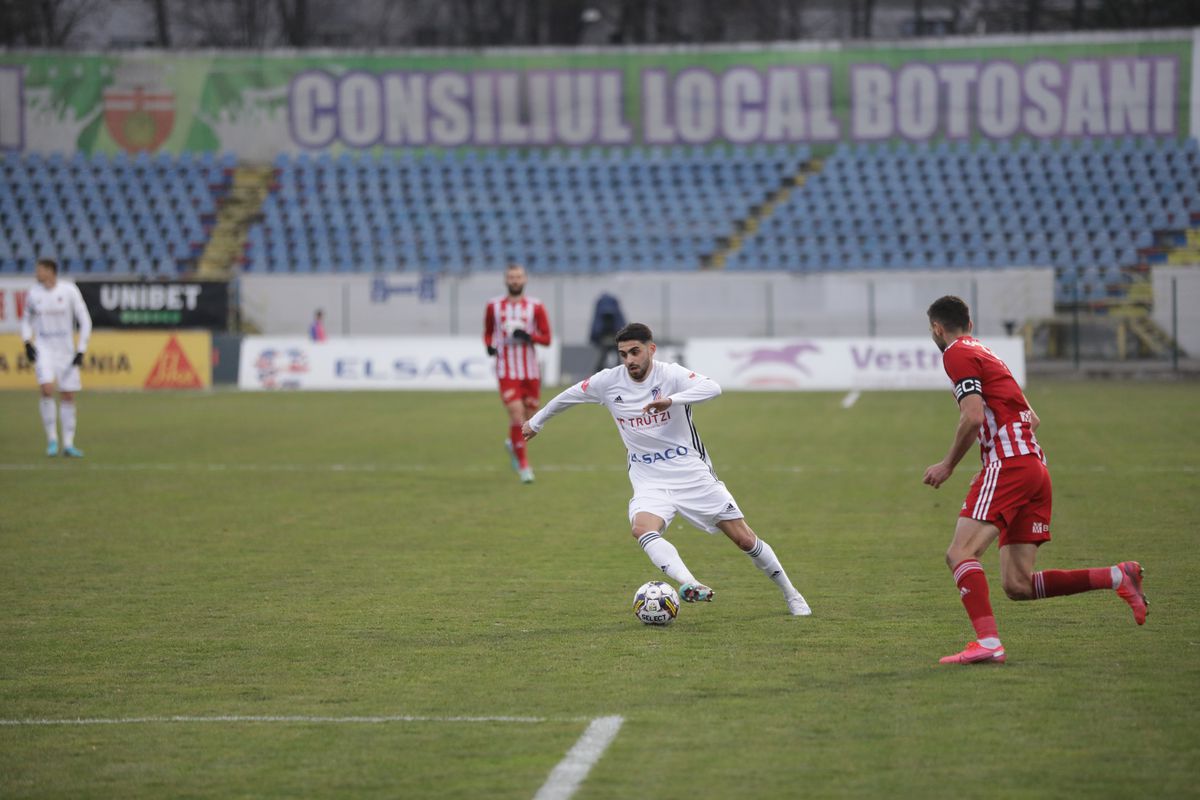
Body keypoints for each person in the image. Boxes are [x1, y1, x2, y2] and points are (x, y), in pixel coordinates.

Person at [522, 322, 812, 616]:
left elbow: (713, 387)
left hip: (691, 473)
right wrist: (536, 422)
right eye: (623, 354)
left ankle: (793, 594)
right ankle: (688, 583)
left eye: (635, 352)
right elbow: (568, 395)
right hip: (648, 478)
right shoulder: (608, 381)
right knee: (642, 528)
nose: (629, 360)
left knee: (745, 539)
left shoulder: (670, 374)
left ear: (651, 349)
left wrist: (671, 401)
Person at [922, 295, 1147, 665]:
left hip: (1009, 464)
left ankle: (989, 643)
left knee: (960, 552)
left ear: (937, 328)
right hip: (1034, 467)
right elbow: (1032, 417)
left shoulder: (956, 353)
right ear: (971, 324)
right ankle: (1117, 577)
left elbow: (974, 417)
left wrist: (948, 464)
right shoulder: (987, 352)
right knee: (1018, 585)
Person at [483, 262, 552, 484]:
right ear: (506, 280)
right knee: (515, 414)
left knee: (528, 418)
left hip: (530, 371)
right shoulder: (494, 306)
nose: (515, 280)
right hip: (507, 370)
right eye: (511, 277)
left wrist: (529, 336)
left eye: (518, 277)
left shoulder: (536, 306)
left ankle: (513, 444)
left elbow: (547, 339)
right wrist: (489, 346)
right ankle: (524, 466)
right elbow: (488, 333)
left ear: (525, 280)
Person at [20, 257, 93, 458]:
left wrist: (81, 349)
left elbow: (85, 320)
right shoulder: (34, 294)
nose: (37, 273)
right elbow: (26, 320)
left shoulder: (68, 291)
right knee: (46, 388)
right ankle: (52, 439)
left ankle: (68, 443)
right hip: (44, 347)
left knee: (68, 394)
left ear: (51, 271)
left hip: (66, 348)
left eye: (40, 270)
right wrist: (27, 342)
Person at [589, 292, 626, 372]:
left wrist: (594, 337)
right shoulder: (615, 306)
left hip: (603, 337)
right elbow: (621, 323)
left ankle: (596, 376)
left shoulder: (600, 306)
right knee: (618, 359)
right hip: (615, 336)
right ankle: (620, 374)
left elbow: (596, 325)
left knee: (602, 358)